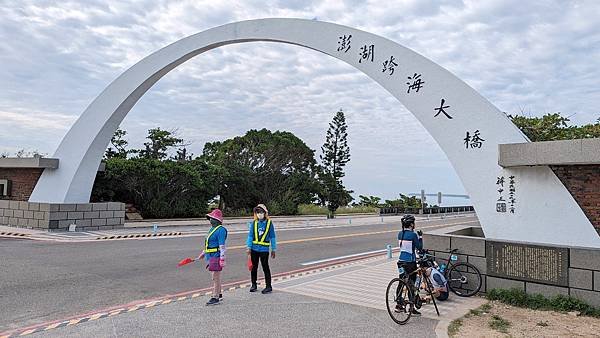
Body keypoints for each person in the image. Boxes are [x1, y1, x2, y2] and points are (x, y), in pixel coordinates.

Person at [198, 209, 228, 306]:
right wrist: (203, 253)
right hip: (211, 255)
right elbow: (209, 244)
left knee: (215, 276)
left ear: (218, 220)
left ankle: (215, 297)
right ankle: (219, 294)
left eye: (212, 218)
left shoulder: (221, 230)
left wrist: (222, 258)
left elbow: (222, 245)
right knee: (216, 276)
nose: (210, 220)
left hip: (217, 255)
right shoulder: (212, 229)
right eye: (210, 218)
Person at [396, 214, 423, 315]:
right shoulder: (413, 235)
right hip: (410, 262)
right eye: (414, 223)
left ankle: (399, 305)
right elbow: (419, 248)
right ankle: (411, 309)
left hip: (400, 262)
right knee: (412, 283)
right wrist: (420, 237)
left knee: (401, 281)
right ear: (411, 224)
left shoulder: (400, 234)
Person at [246, 204, 277, 294]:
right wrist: (248, 247)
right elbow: (250, 236)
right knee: (254, 267)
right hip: (254, 249)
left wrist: (273, 249)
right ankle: (254, 284)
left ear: (265, 213)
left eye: (261, 212)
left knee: (265, 267)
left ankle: (268, 286)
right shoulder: (254, 223)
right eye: (257, 212)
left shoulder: (269, 223)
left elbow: (272, 237)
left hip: (264, 249)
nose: (259, 214)